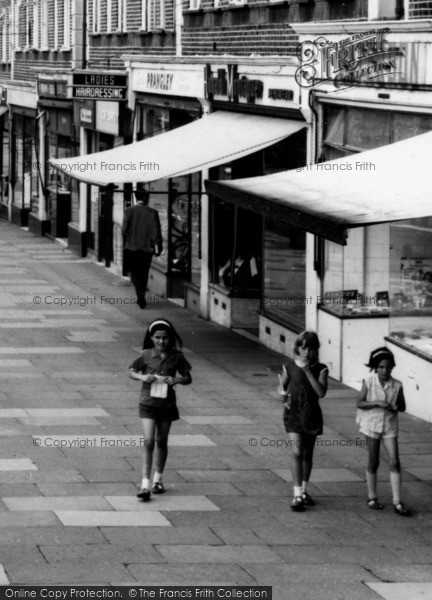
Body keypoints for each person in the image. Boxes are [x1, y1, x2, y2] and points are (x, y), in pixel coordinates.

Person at [129, 319, 192, 501]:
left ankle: (158, 479)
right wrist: (143, 377)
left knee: (161, 441)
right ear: (151, 338)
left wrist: (177, 380)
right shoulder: (146, 354)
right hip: (148, 404)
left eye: (165, 338)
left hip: (167, 405)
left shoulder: (177, 356)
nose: (161, 341)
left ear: (170, 338)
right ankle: (145, 484)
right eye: (157, 338)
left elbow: (188, 377)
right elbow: (131, 371)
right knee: (148, 441)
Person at [356, 347, 411, 516]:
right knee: (374, 461)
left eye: (388, 367)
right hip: (371, 425)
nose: (384, 370)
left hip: (389, 426)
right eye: (381, 367)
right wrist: (377, 402)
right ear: (375, 367)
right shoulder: (368, 381)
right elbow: (360, 403)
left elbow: (402, 406)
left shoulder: (397, 385)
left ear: (392, 367)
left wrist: (396, 407)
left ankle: (397, 501)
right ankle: (372, 497)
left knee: (395, 461)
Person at [278, 331, 328, 512]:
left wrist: (307, 371)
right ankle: (297, 494)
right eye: (303, 347)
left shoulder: (321, 369)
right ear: (298, 348)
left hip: (311, 416)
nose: (307, 351)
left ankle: (305, 490)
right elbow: (282, 385)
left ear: (316, 349)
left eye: (311, 348)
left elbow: (321, 392)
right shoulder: (289, 366)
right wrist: (282, 394)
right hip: (293, 415)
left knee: (307, 455)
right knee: (297, 452)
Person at [122, 189, 163, 309]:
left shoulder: (129, 211)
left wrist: (126, 242)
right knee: (144, 272)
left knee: (134, 272)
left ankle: (139, 294)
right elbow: (156, 233)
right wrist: (158, 248)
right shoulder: (152, 212)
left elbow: (124, 230)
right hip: (146, 248)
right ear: (146, 198)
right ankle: (142, 294)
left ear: (136, 197)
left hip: (132, 247)